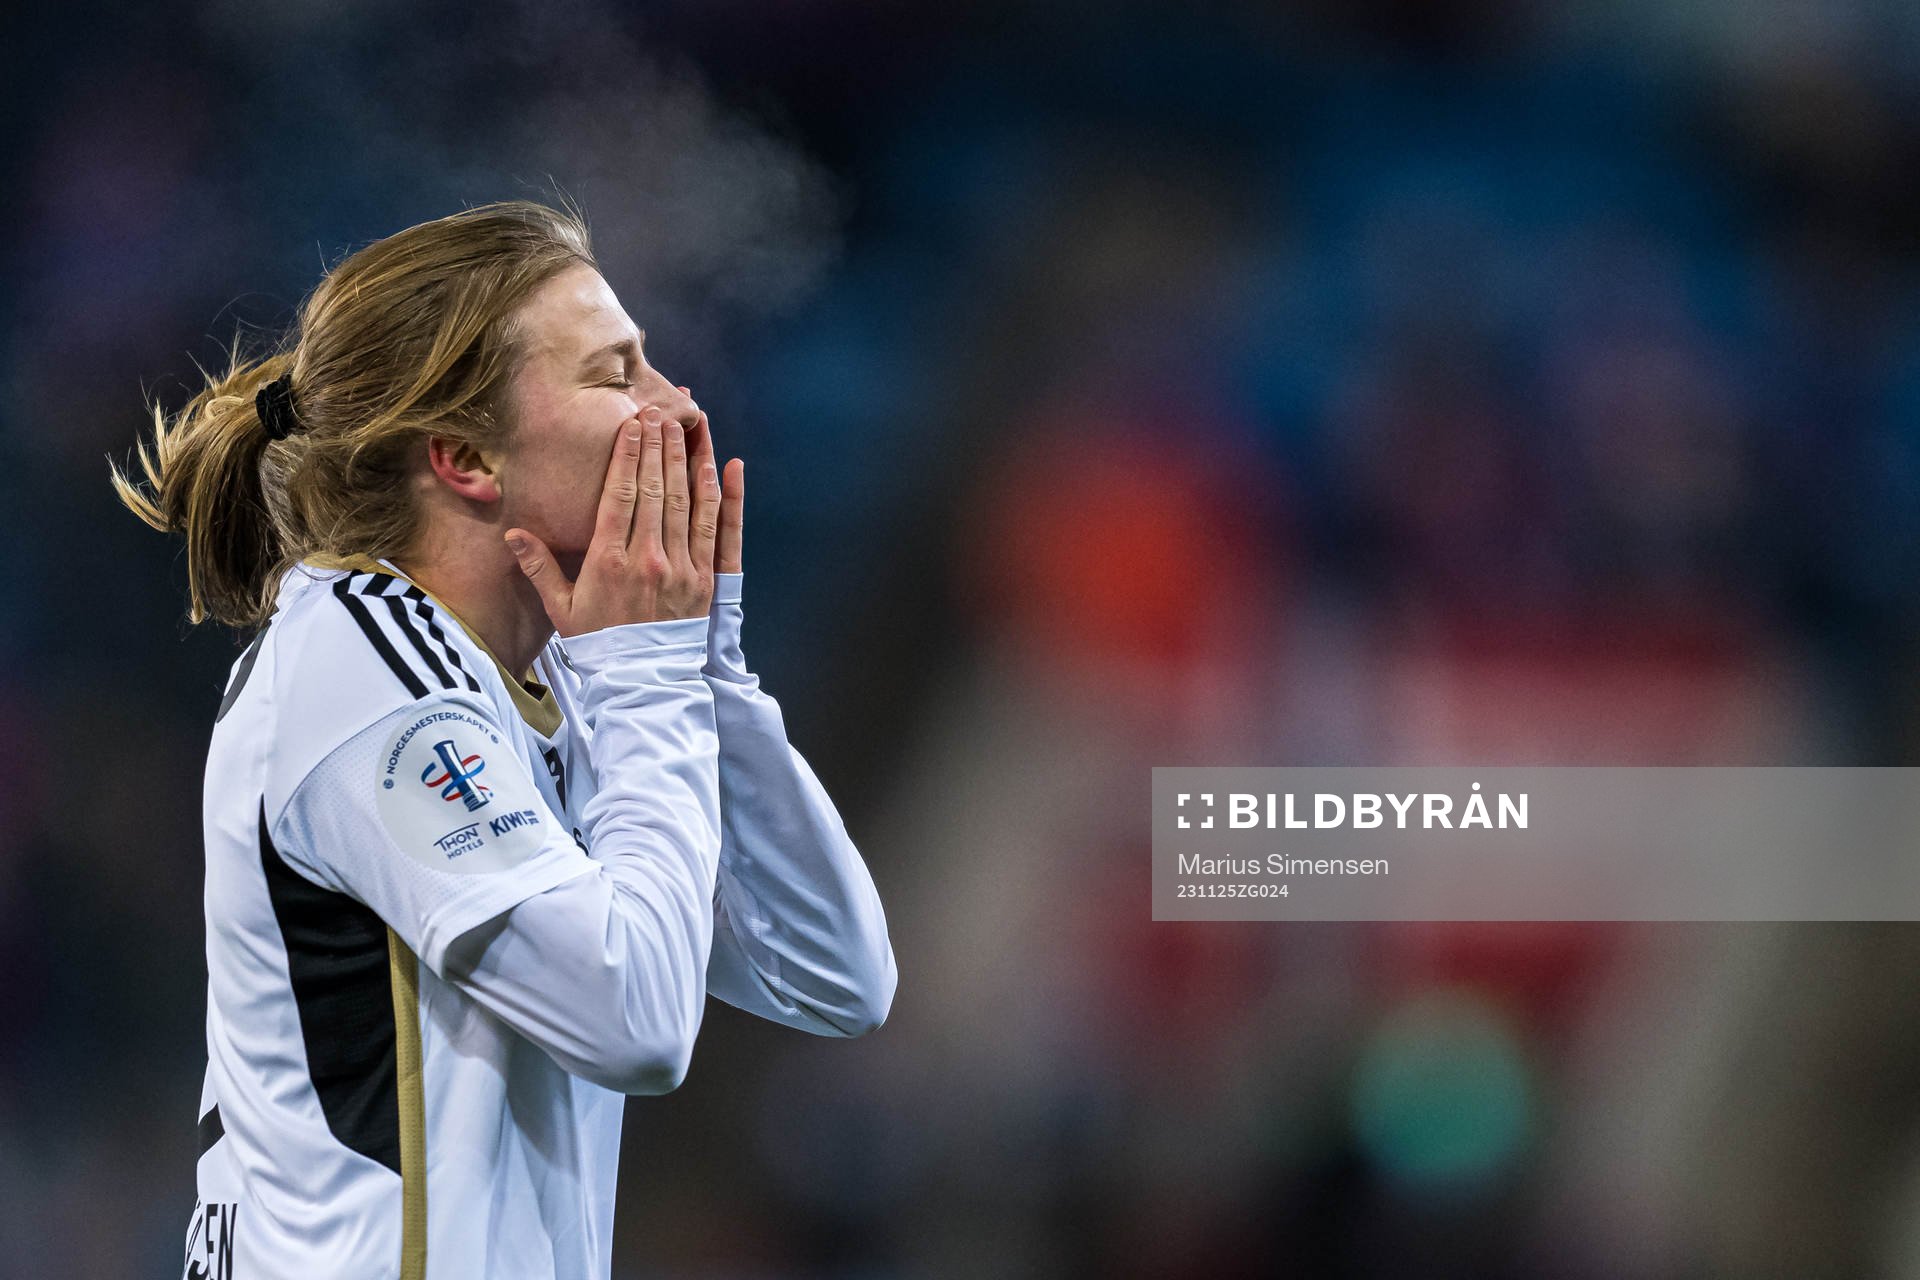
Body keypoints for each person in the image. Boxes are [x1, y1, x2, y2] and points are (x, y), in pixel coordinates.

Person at [112, 200, 897, 1280]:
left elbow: (836, 972)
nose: (675, 405)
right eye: (617, 373)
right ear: (465, 455)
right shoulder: (356, 660)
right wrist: (649, 672)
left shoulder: (566, 674)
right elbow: (636, 1020)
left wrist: (705, 668)